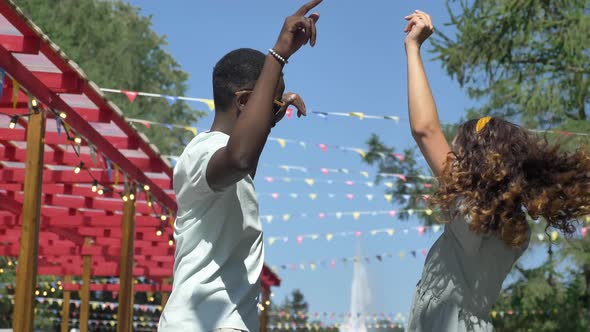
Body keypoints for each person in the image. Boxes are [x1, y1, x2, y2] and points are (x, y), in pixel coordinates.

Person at [403, 9, 590, 332]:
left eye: (459, 149)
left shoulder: (470, 209)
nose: (452, 157)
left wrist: (413, 48)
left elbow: (425, 130)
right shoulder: (516, 227)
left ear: (477, 160)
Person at [158, 1, 323, 331]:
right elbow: (239, 158)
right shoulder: (202, 154)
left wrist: (271, 119)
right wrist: (278, 55)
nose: (271, 110)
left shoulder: (225, 160)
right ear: (246, 101)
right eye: (268, 102)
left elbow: (243, 164)